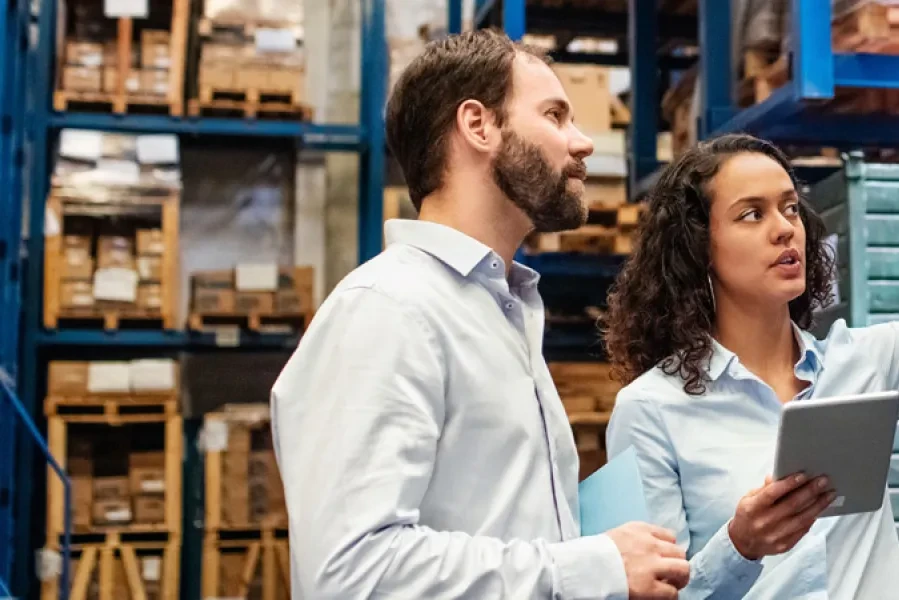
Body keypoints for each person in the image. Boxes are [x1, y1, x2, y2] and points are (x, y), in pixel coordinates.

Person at [271, 30, 690, 599]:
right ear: (478, 125)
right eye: (555, 116)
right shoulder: (387, 309)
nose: (583, 142)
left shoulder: (501, 311)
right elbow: (350, 573)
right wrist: (588, 567)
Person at [603, 133, 899, 598]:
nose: (784, 228)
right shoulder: (647, 409)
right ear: (699, 248)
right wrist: (740, 547)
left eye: (791, 208)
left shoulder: (868, 363)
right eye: (752, 214)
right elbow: (646, 593)